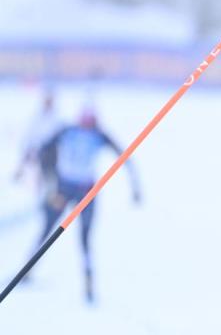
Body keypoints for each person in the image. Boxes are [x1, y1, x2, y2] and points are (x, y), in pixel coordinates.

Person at [34, 106, 141, 303]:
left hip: (87, 192)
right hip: (63, 188)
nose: (87, 124)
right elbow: (43, 150)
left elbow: (125, 157)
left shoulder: (99, 135)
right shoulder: (67, 130)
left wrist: (135, 186)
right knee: (46, 229)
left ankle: (89, 284)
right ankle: (27, 272)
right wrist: (49, 181)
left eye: (91, 120)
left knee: (85, 238)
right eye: (85, 119)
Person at [12, 89, 62, 200]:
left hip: (52, 154)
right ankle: (38, 196)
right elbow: (30, 135)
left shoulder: (58, 117)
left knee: (50, 177)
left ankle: (49, 197)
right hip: (37, 151)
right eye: (46, 100)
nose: (48, 103)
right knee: (36, 176)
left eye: (50, 100)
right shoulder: (37, 117)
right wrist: (27, 151)